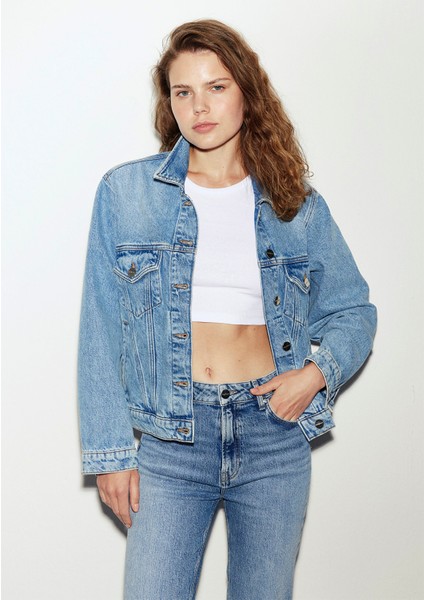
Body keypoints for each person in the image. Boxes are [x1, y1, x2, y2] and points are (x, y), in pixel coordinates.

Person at [78, 19, 377, 600]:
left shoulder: (294, 203)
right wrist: (110, 453)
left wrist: (315, 376)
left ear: (246, 91)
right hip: (171, 438)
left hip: (272, 436)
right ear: (169, 103)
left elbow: (353, 310)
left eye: (216, 87)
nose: (199, 106)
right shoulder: (126, 194)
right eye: (183, 91)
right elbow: (100, 327)